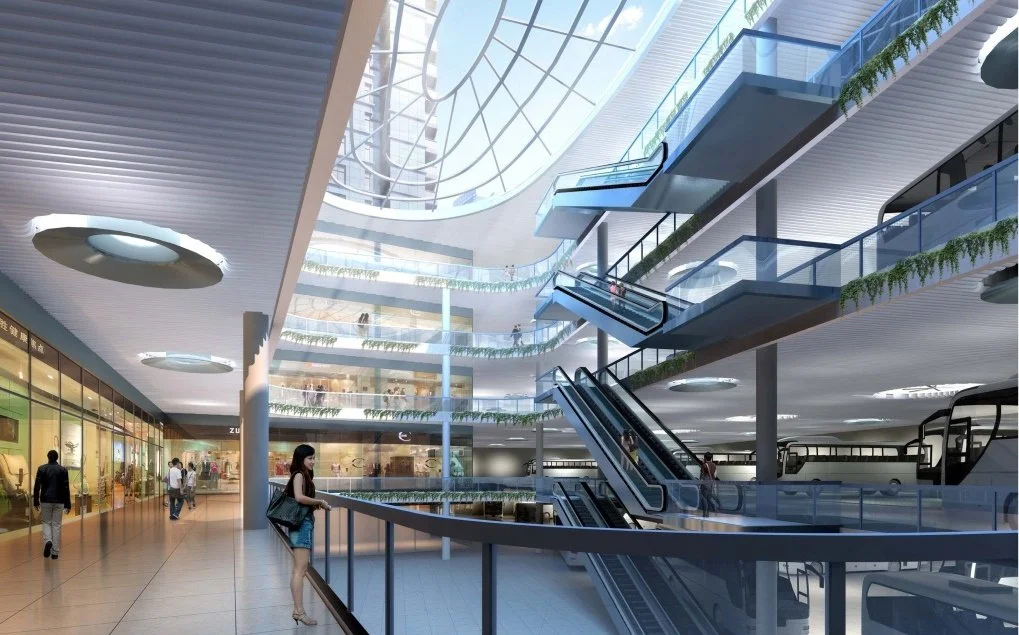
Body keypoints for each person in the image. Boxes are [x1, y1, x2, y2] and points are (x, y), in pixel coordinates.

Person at [285, 444, 331, 626]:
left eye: (314, 458)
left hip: (304, 523)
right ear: (301, 459)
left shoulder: (304, 475)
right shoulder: (298, 475)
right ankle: (299, 611)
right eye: (310, 458)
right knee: (299, 570)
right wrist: (320, 501)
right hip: (301, 525)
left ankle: (299, 611)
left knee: (301, 570)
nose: (313, 461)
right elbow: (299, 497)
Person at [33, 450, 71, 560]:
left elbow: (37, 487)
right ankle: (55, 552)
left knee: (46, 522)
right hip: (59, 501)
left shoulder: (41, 469)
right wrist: (67, 504)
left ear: (48, 457)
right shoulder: (63, 470)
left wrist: (36, 500)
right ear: (57, 458)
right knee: (56, 525)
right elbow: (66, 488)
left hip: (45, 500)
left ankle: (48, 541)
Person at [700, 452, 719, 517]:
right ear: (711, 458)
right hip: (711, 483)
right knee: (709, 498)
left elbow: (702, 476)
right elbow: (715, 475)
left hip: (705, 483)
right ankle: (709, 512)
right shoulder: (714, 465)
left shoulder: (704, 465)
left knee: (704, 499)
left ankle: (705, 514)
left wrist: (699, 485)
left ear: (705, 457)